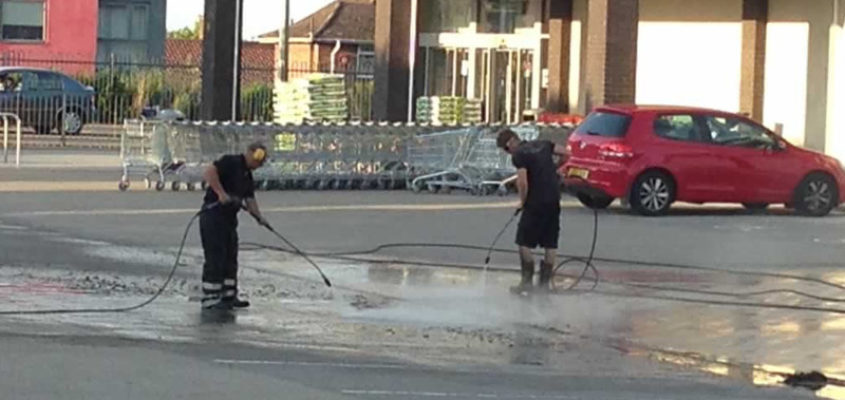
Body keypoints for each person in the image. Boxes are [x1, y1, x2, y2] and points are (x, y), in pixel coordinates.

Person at [496, 129, 568, 294]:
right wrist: (554, 168)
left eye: (506, 150)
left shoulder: (519, 155)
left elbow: (523, 183)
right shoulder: (543, 144)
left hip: (535, 201)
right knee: (550, 242)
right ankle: (544, 285)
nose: (508, 153)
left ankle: (527, 282)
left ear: (511, 142)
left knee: (523, 241)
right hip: (553, 198)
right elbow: (566, 153)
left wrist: (522, 202)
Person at [200, 142, 269, 310]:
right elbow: (209, 172)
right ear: (249, 153)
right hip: (213, 216)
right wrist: (221, 194)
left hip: (229, 220)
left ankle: (228, 296)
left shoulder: (247, 175)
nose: (259, 165)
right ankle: (210, 298)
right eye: (258, 159)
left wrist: (259, 217)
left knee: (230, 257)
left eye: (262, 162)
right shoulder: (231, 162)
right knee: (215, 257)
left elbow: (250, 199)